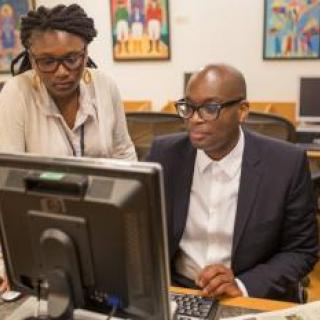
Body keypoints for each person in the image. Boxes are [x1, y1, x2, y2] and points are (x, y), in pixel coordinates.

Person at [147, 64, 319, 302]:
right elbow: (143, 232)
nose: (195, 119)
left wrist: (242, 285)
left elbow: (301, 251)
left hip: (249, 294)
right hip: (180, 292)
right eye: (188, 107)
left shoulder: (286, 164)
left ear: (242, 111)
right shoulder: (164, 154)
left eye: (210, 108)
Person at [0, 3, 136, 291]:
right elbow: (5, 186)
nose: (61, 72)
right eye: (46, 62)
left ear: (86, 52)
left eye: (72, 59)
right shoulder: (17, 94)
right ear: (31, 58)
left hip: (103, 230)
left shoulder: (105, 87)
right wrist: (5, 263)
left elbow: (125, 156)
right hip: (41, 234)